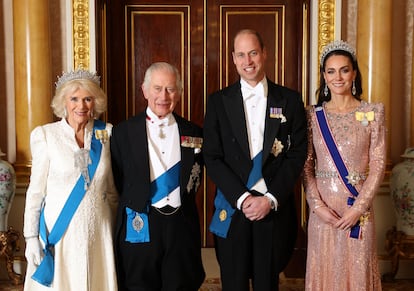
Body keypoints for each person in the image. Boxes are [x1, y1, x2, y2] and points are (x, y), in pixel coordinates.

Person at [203, 29, 307, 291]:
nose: (247, 61)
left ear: (264, 54)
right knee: (233, 283)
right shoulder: (218, 101)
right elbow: (212, 156)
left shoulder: (290, 100)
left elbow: (297, 154)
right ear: (233, 59)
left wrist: (270, 199)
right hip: (234, 204)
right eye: (241, 55)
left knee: (267, 283)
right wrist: (243, 198)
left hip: (272, 207)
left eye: (253, 53)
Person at [111, 62, 205, 290]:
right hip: (140, 223)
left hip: (180, 226)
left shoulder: (195, 133)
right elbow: (117, 179)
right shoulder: (122, 132)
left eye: (171, 89)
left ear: (180, 93)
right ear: (144, 90)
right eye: (157, 88)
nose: (164, 96)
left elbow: (195, 178)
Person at [23, 68, 118, 290]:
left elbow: (112, 190)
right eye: (74, 99)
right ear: (63, 102)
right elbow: (36, 193)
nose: (81, 106)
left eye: (88, 99)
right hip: (61, 233)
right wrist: (30, 237)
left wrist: (114, 231)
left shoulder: (107, 134)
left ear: (96, 102)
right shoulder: (46, 135)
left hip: (99, 231)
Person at [303, 40, 385, 290]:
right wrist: (317, 207)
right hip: (324, 213)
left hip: (357, 211)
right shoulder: (313, 115)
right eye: (331, 71)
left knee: (356, 270)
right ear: (324, 76)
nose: (337, 77)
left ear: (354, 73)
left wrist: (357, 209)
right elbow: (306, 166)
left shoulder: (373, 112)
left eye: (344, 70)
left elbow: (379, 164)